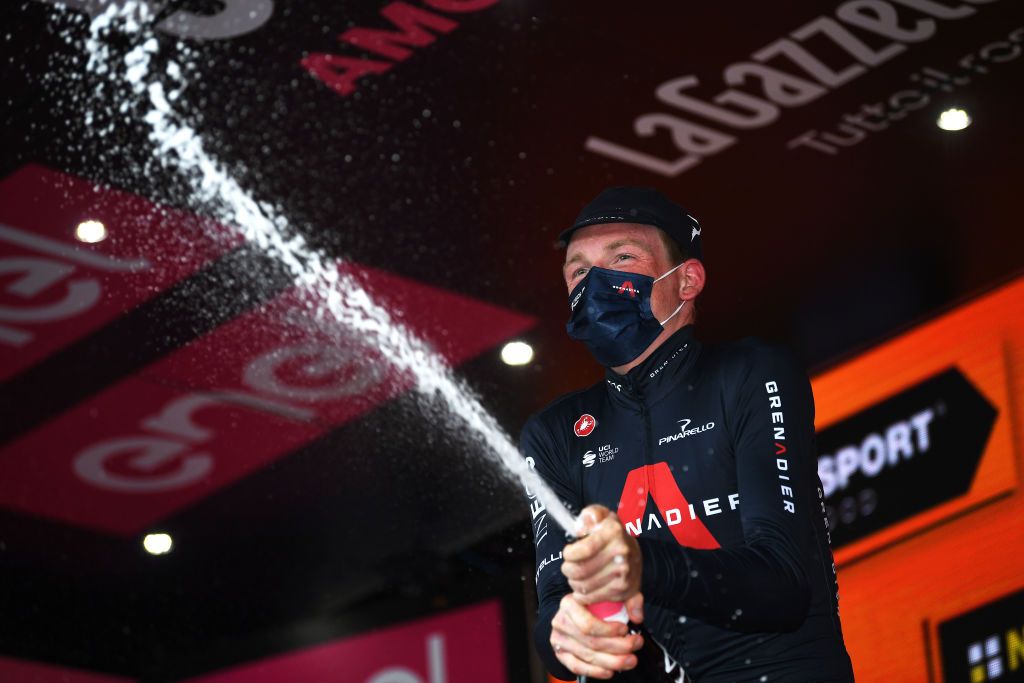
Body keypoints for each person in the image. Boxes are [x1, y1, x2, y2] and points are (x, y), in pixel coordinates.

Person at [520, 187, 855, 682]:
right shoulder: (554, 434)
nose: (595, 284)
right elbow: (554, 613)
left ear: (687, 280)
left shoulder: (750, 372)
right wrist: (563, 633)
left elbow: (784, 585)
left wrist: (639, 563)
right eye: (579, 271)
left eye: (623, 257)